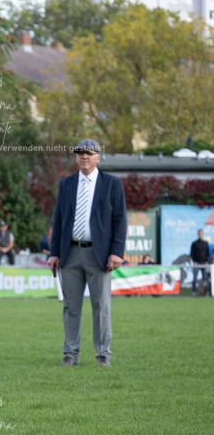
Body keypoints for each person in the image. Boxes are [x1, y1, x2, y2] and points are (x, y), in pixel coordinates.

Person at [47, 139, 127, 367]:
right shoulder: (67, 184)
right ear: (76, 157)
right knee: (71, 307)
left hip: (99, 255)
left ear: (98, 157)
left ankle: (103, 355)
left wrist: (116, 252)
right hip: (70, 253)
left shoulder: (112, 184)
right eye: (80, 153)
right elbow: (59, 220)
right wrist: (54, 252)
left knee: (101, 306)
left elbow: (120, 220)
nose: (84, 156)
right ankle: (71, 354)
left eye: (89, 153)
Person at [190, 229, 211, 296]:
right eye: (199, 233)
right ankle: (194, 291)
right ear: (198, 234)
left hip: (204, 263)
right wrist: (194, 261)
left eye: (201, 233)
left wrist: (207, 261)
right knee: (195, 278)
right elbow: (192, 253)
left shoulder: (205, 244)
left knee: (205, 279)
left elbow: (208, 253)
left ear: (203, 234)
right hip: (197, 263)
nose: (200, 235)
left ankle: (205, 292)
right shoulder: (194, 243)